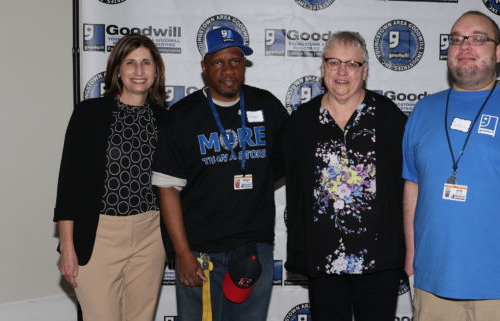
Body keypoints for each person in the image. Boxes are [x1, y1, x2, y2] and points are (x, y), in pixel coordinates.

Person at [402, 10, 500, 321]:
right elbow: (412, 185)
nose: (466, 46)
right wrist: (411, 253)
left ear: (499, 52)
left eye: (478, 39)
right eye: (457, 39)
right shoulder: (423, 110)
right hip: (434, 284)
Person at [151, 26, 287, 321]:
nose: (228, 70)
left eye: (235, 61)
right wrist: (183, 253)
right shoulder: (184, 116)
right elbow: (167, 189)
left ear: (244, 64)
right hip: (200, 253)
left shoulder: (267, 107)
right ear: (204, 67)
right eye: (218, 62)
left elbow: (283, 164)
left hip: (254, 250)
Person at [283, 31, 407, 321]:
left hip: (378, 262)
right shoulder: (301, 122)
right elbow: (272, 170)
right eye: (334, 62)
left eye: (352, 64)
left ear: (364, 71)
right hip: (323, 261)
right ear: (322, 68)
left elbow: (414, 178)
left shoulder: (388, 117)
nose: (342, 71)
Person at [54, 33, 168, 321]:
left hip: (150, 235)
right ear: (117, 69)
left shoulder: (165, 120)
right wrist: (67, 246)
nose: (139, 71)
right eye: (130, 63)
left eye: (146, 63)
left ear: (156, 70)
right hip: (99, 235)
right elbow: (69, 183)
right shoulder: (89, 114)